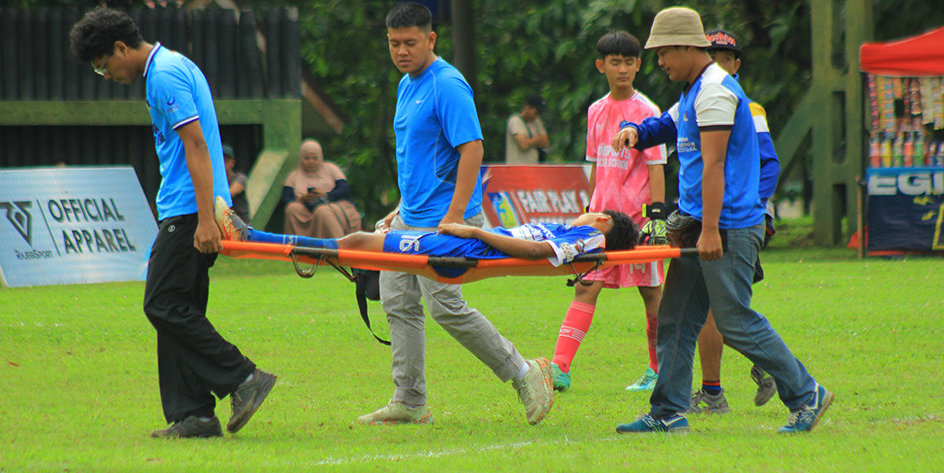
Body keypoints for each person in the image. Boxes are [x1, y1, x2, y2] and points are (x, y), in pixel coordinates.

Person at [612, 7, 833, 434]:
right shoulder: (693, 91)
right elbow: (665, 126)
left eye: (663, 53)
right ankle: (668, 412)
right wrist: (637, 131)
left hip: (726, 226)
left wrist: (711, 229)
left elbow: (714, 165)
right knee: (676, 318)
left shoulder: (714, 91)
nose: (659, 62)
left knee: (734, 320)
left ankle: (807, 394)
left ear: (685, 47)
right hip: (699, 224)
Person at [69, 7, 277, 440]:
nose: (107, 75)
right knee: (178, 309)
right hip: (186, 208)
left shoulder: (164, 75)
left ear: (122, 48)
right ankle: (193, 415)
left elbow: (196, 145)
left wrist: (205, 219)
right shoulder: (170, 66)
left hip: (190, 211)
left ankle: (243, 377)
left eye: (105, 66)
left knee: (161, 303)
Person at [361, 2, 554, 426]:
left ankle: (525, 372)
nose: (401, 51)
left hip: (447, 221)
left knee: (446, 306)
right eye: (394, 44)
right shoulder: (406, 85)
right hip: (411, 219)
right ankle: (410, 401)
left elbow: (472, 150)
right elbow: (418, 159)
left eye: (410, 43)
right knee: (397, 302)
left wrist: (454, 220)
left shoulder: (447, 84)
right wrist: (398, 210)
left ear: (431, 39)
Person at [549, 31, 668, 394]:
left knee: (652, 294)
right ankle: (559, 369)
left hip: (638, 223)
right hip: (601, 223)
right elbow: (596, 166)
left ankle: (658, 369)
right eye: (615, 62)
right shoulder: (596, 110)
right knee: (586, 285)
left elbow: (657, 167)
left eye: (629, 62)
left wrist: (657, 220)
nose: (623, 69)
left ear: (639, 65)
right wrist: (588, 211)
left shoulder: (648, 111)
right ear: (601, 66)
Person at [686, 29, 780, 414]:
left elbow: (769, 164)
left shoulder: (745, 106)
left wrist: (754, 207)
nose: (718, 64)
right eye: (711, 56)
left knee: (725, 310)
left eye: (725, 58)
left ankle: (763, 370)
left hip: (737, 220)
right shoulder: (696, 101)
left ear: (736, 64)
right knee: (719, 308)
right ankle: (718, 389)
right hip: (714, 217)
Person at [216, 195, 637, 257]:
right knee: (360, 242)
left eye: (591, 210)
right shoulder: (582, 232)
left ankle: (251, 238)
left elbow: (536, 252)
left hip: (470, 248)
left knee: (358, 243)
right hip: (472, 243)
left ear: (603, 220)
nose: (584, 212)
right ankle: (253, 237)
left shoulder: (590, 235)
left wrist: (473, 231)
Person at [282, 139, 362, 239]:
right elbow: (286, 199)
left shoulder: (331, 169)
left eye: (315, 158)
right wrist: (301, 200)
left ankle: (336, 244)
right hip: (305, 209)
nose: (311, 162)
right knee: (292, 208)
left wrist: (326, 195)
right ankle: (298, 244)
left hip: (332, 204)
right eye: (307, 158)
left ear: (320, 157)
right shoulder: (294, 176)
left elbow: (345, 190)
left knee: (322, 211)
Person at [505, 94, 550, 164]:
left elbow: (546, 143)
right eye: (536, 112)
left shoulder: (536, 121)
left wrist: (530, 141)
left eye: (540, 113)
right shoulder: (515, 120)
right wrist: (537, 139)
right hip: (517, 167)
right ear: (528, 108)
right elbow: (523, 145)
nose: (537, 116)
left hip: (533, 166)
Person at [222, 144, 251, 224]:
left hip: (242, 226)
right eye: (220, 161)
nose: (223, 164)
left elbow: (230, 194)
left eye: (226, 160)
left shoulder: (240, 178)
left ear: (232, 163)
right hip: (225, 226)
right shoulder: (214, 181)